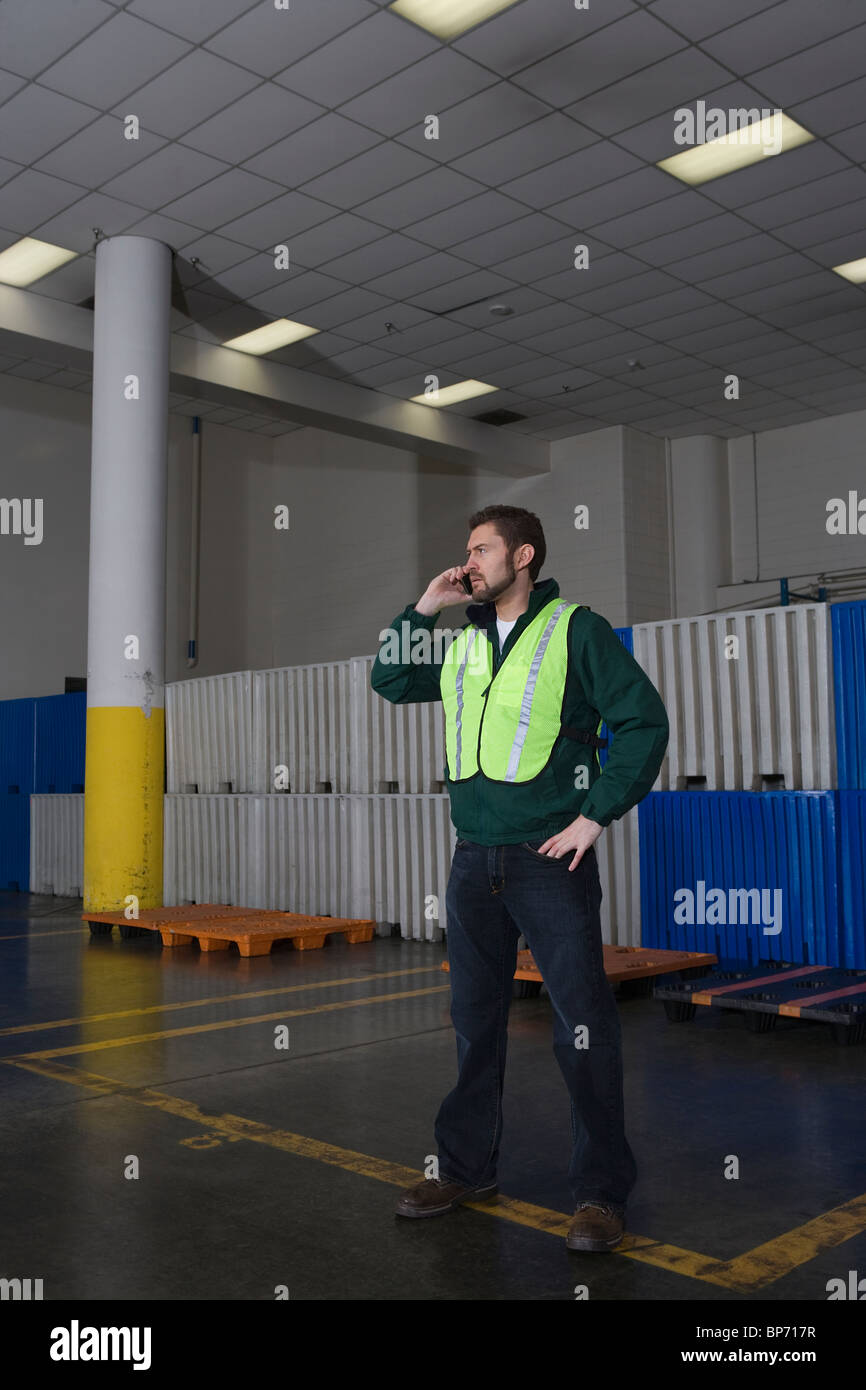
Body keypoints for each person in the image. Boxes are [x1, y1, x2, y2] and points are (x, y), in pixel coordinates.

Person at [370, 505, 669, 1252]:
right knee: (474, 1024)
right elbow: (390, 679)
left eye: (480, 550)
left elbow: (643, 723)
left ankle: (600, 1195)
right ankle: (467, 1168)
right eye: (464, 549)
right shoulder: (466, 640)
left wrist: (595, 816)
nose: (468, 561)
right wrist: (427, 605)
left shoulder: (575, 630)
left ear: (523, 555)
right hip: (473, 858)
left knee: (583, 1027)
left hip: (548, 860)